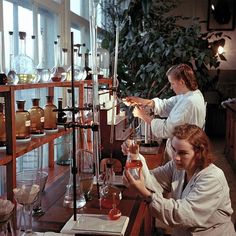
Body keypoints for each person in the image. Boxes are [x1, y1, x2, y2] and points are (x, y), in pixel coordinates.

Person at [122, 124, 236, 236]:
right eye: (174, 150)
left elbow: (183, 215)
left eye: (183, 153)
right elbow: (152, 180)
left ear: (199, 153)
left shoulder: (213, 178)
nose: (176, 157)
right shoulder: (178, 167)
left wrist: (147, 194)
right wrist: (134, 156)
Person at [123, 63, 206, 161]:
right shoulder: (189, 95)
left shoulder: (190, 102)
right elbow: (165, 105)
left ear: (182, 82)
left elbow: (167, 130)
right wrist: (139, 100)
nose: (171, 87)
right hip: (182, 149)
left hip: (185, 153)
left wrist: (143, 116)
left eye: (172, 83)